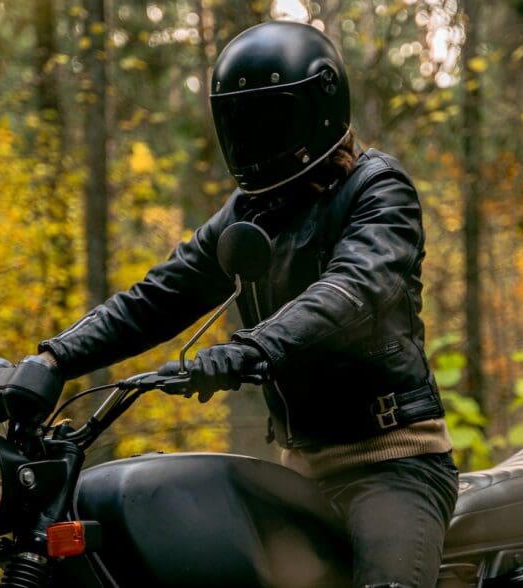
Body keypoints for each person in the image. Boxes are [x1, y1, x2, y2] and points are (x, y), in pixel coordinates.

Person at [36, 21, 457, 588]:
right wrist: (51, 361)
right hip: (300, 471)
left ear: (319, 108)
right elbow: (157, 297)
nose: (254, 139)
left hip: (392, 464)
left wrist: (249, 349)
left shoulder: (378, 190)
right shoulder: (248, 212)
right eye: (240, 122)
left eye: (268, 119)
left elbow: (351, 292)